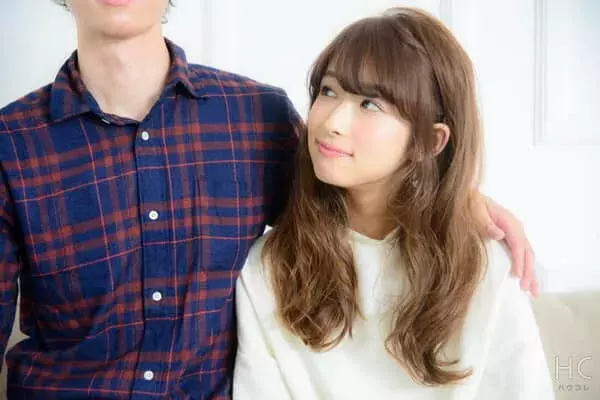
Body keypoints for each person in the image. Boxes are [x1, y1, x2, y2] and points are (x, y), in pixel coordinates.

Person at [0, 1, 538, 399]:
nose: (337, 115)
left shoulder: (257, 118)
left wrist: (458, 197)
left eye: (363, 101)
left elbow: (346, 186)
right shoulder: (11, 144)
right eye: (329, 92)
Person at [233, 7, 553, 400]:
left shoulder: (485, 265)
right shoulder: (269, 268)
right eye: (328, 91)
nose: (332, 122)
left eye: (370, 104)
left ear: (430, 141)